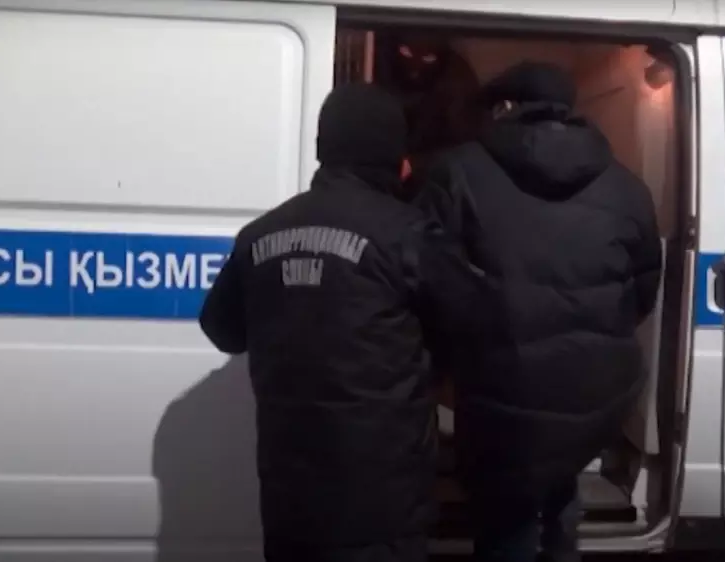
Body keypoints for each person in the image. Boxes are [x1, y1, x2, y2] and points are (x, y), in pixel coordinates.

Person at [199, 83, 478, 562]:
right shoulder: (409, 235)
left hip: (290, 497)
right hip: (382, 500)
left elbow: (221, 329)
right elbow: (470, 327)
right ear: (396, 160)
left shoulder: (260, 235)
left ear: (323, 150)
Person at [414, 62, 663, 562]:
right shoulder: (627, 187)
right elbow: (642, 291)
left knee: (506, 524)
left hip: (501, 391)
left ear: (507, 107)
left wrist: (453, 357)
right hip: (590, 394)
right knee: (560, 483)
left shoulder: (456, 172)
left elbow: (428, 281)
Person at [376, 32, 482, 193]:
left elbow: (464, 144)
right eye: (406, 52)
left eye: (428, 58)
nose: (415, 68)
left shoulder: (457, 80)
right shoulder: (380, 59)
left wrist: (416, 164)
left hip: (432, 181)